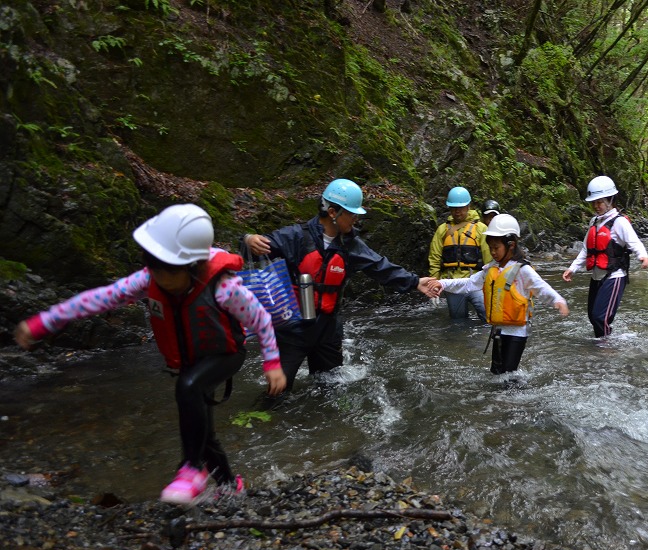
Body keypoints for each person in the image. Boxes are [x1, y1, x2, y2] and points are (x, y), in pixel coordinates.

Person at [13, 204, 287, 505]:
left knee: (188, 388)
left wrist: (272, 362)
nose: (155, 275)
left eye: (164, 269)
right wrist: (44, 322)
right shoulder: (149, 279)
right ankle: (229, 486)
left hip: (225, 354)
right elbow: (99, 299)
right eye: (151, 265)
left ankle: (192, 470)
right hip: (191, 359)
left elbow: (261, 320)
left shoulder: (225, 289)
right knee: (202, 431)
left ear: (192, 266)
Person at [242, 178, 439, 390]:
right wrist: (248, 239)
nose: (356, 219)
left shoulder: (351, 244)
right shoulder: (296, 236)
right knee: (277, 391)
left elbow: (380, 266)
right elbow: (255, 249)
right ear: (333, 212)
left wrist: (415, 282)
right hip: (293, 330)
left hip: (328, 329)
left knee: (331, 389)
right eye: (352, 213)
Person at [438, 214, 569, 374]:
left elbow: (540, 287)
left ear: (511, 245)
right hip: (498, 330)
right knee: (496, 373)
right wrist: (441, 283)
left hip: (517, 333)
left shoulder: (523, 270)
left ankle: (514, 398)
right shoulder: (491, 269)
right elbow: (469, 284)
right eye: (490, 247)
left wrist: (557, 300)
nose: (492, 252)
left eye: (496, 247)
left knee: (508, 375)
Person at [562, 176, 648, 338]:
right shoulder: (594, 222)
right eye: (594, 202)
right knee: (593, 316)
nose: (596, 206)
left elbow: (634, 242)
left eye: (600, 202)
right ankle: (602, 347)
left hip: (615, 275)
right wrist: (572, 268)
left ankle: (606, 349)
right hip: (597, 276)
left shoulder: (620, 222)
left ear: (610, 200)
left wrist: (642, 256)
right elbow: (586, 249)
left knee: (599, 317)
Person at [427, 187, 492, 321]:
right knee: (458, 322)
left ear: (468, 206)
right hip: (452, 284)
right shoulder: (442, 230)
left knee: (489, 318)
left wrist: (493, 283)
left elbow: (489, 258)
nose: (457, 211)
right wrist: (434, 287)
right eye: (453, 208)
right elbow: (434, 259)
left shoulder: (481, 229)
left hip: (475, 282)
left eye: (461, 207)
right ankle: (459, 343)